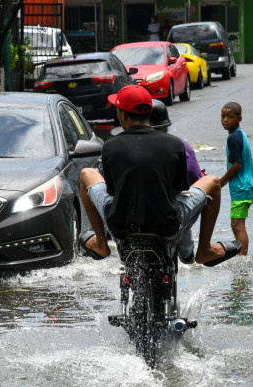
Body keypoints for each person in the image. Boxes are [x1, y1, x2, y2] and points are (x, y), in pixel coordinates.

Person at [78, 85, 240, 266]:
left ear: (122, 114)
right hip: (167, 227)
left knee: (86, 174)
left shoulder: (110, 146)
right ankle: (204, 250)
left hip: (121, 227)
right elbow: (179, 189)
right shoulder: (174, 144)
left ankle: (100, 244)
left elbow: (113, 191)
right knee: (214, 182)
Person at [220, 101, 253, 256]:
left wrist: (220, 183)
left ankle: (242, 258)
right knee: (237, 224)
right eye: (223, 116)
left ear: (239, 118)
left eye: (230, 116)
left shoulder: (233, 138)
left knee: (237, 225)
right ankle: (242, 256)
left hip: (241, 187)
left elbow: (236, 165)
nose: (225, 120)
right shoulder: (240, 135)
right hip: (244, 186)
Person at [149, 99, 204, 184]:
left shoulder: (127, 146)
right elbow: (194, 175)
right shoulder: (178, 144)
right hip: (173, 193)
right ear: (165, 128)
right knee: (212, 180)